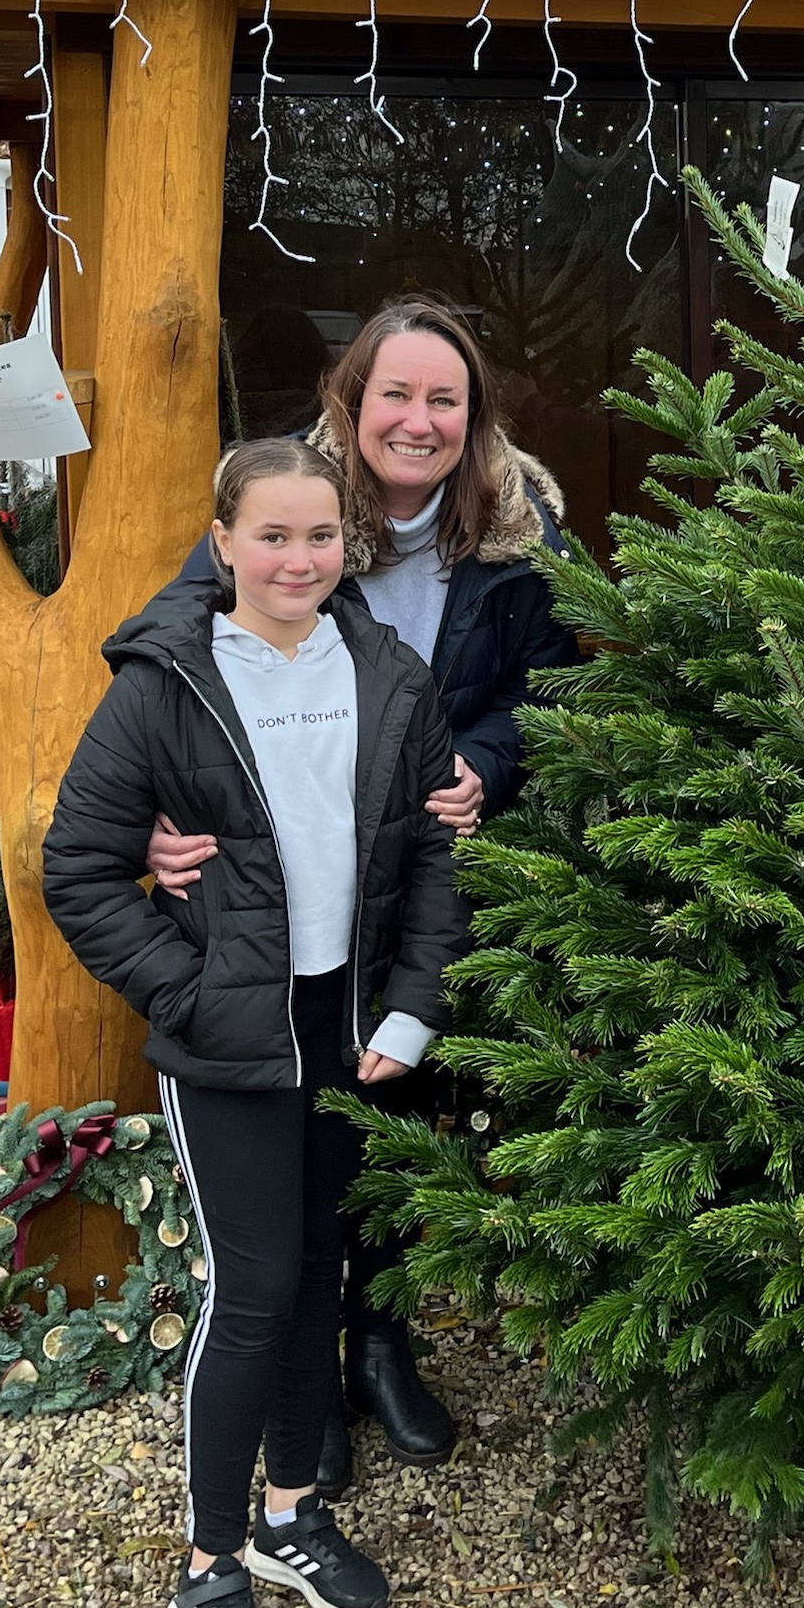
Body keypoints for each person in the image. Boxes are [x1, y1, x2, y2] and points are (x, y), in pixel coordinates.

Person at [43, 439, 468, 1608]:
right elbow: (80, 868)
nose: (298, 559)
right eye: (272, 536)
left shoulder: (388, 674)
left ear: (350, 546)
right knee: (254, 1290)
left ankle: (290, 1515)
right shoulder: (165, 685)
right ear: (223, 542)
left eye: (321, 537)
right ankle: (209, 1566)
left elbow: (433, 857)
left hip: (350, 1028)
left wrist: (413, 1009)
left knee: (321, 1266)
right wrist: (184, 991)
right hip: (231, 1040)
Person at [144, 296, 574, 1485]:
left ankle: (380, 1344)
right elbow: (169, 644)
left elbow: (549, 688)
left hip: (421, 874)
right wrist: (158, 816)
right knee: (303, 1126)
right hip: (294, 875)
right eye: (396, 394)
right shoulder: (289, 500)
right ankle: (304, 1391)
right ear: (353, 398)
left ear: (473, 415)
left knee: (395, 1107)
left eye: (445, 399)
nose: (417, 421)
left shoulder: (518, 529)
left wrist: (483, 764)